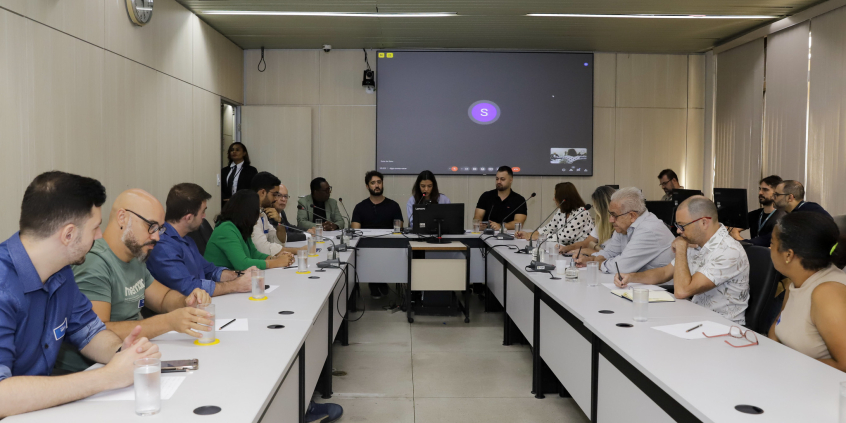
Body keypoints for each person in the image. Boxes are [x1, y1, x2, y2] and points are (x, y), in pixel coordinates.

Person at [0, 171, 160, 417]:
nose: (99, 236)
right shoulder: (3, 286)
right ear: (68, 234)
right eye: (95, 228)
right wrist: (107, 377)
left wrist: (121, 353)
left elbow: (91, 332)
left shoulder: (61, 273)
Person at [54, 189, 215, 373]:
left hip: (131, 357)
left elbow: (162, 298)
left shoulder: (135, 254)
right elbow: (98, 331)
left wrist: (186, 301)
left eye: (159, 229)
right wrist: (169, 322)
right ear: (122, 218)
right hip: (94, 369)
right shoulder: (94, 262)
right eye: (151, 226)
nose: (156, 236)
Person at [614, 196, 750, 324]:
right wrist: (631, 277)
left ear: (704, 222)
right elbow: (664, 273)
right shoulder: (695, 243)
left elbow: (682, 291)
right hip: (696, 317)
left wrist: (680, 249)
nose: (678, 231)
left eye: (682, 226)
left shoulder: (728, 251)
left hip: (723, 327)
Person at [769, 212, 846, 372]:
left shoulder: (827, 293)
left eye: (772, 243)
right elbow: (778, 327)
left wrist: (787, 367)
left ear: (788, 255)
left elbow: (843, 365)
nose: (769, 248)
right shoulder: (796, 281)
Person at [147, 183, 253, 297]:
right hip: (179, 311)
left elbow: (210, 271)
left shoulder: (187, 239)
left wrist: (239, 275)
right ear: (189, 217)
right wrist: (235, 285)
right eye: (202, 212)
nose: (204, 216)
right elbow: (189, 288)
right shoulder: (163, 246)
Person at [576, 187, 675, 274]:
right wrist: (590, 260)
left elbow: (620, 267)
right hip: (640, 284)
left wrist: (597, 263)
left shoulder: (648, 230)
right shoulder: (624, 227)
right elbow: (610, 253)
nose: (610, 220)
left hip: (664, 290)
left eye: (614, 215)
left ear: (632, 215)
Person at [205, 190, 294, 271]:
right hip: (216, 281)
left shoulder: (241, 227)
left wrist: (275, 258)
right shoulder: (226, 229)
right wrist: (277, 263)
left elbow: (253, 253)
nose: (259, 214)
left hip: (234, 277)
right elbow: (242, 264)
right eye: (257, 210)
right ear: (247, 211)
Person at [351, 170, 404, 298]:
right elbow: (355, 230)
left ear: (382, 184)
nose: (377, 185)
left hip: (389, 246)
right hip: (366, 248)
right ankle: (375, 282)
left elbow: (399, 228)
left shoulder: (393, 205)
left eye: (379, 182)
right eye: (373, 183)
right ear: (367, 186)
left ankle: (379, 280)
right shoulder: (360, 207)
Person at [516, 182, 594, 246]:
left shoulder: (582, 212)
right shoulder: (561, 211)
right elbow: (549, 228)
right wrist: (529, 234)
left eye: (555, 195)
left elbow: (564, 237)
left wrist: (537, 237)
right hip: (566, 250)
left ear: (564, 198)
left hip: (581, 252)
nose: (553, 198)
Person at [729, 175, 785, 247]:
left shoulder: (781, 219)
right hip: (756, 254)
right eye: (760, 189)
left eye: (765, 190)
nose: (760, 193)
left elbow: (765, 243)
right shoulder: (757, 214)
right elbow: (732, 226)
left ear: (777, 193)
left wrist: (738, 238)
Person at [560, 185, 616, 256]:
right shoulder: (602, 223)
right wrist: (568, 248)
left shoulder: (621, 227)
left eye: (594, 206)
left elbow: (614, 255)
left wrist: (588, 251)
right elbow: (586, 243)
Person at [473, 166, 528, 231]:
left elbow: (519, 223)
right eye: (497, 179)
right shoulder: (486, 196)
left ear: (511, 180)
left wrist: (501, 226)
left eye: (502, 179)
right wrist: (479, 225)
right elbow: (477, 217)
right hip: (487, 235)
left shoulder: (519, 200)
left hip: (509, 237)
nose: (498, 182)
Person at [221, 142, 258, 206]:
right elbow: (220, 188)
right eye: (232, 150)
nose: (234, 152)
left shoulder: (251, 170)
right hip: (226, 205)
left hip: (244, 205)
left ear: (244, 153)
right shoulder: (224, 171)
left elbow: (253, 189)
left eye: (237, 150)